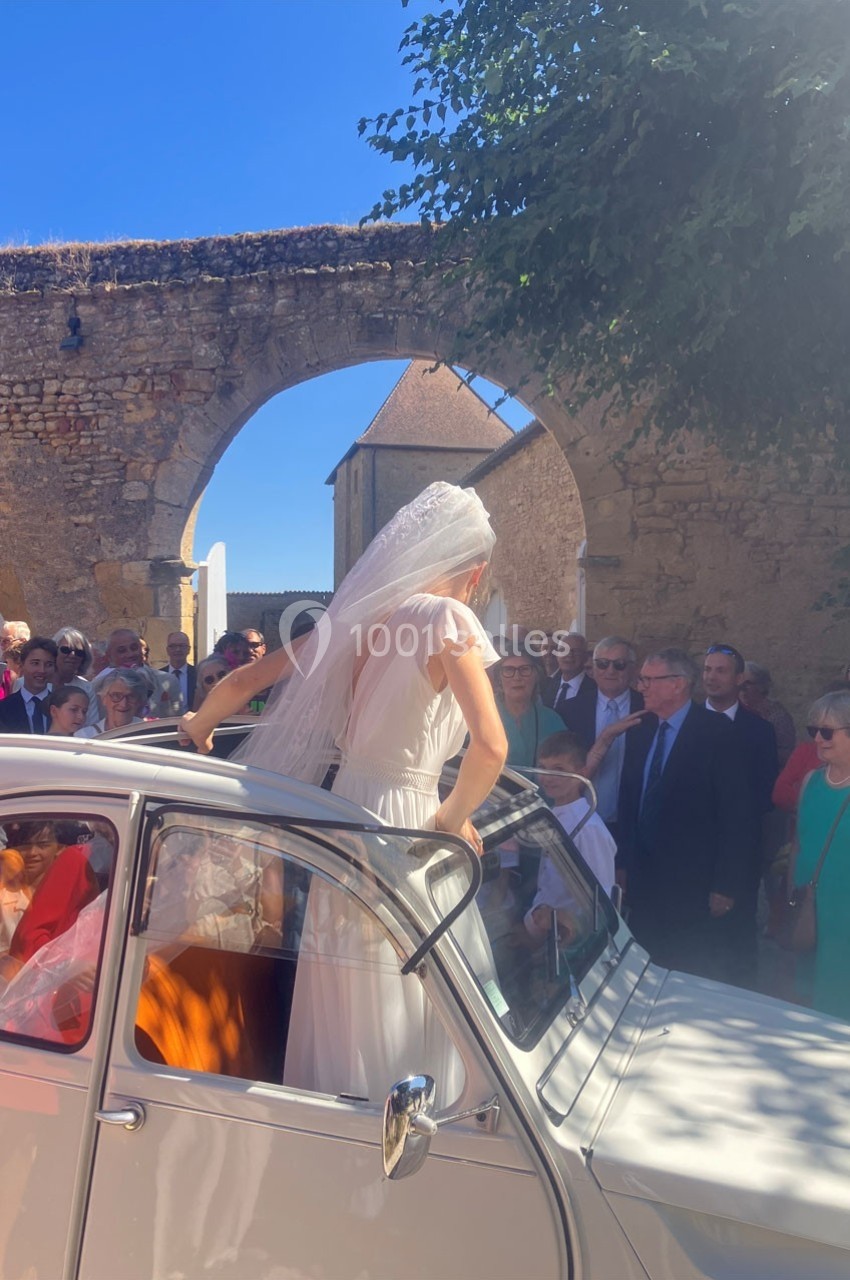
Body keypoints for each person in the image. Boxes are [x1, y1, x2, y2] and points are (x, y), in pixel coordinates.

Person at [180, 481, 507, 1105]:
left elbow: (246, 677)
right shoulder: (447, 618)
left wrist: (199, 725)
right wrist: (450, 817)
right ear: (474, 570)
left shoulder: (353, 623)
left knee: (346, 977)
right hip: (405, 821)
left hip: (344, 813)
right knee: (411, 980)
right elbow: (491, 748)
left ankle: (339, 1113)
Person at [618, 648, 751, 983]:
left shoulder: (718, 733)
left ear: (677, 684)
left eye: (649, 680)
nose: (642, 687)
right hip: (644, 875)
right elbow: (630, 799)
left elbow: (737, 815)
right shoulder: (641, 728)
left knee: (685, 967)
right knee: (643, 964)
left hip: (692, 880)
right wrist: (622, 862)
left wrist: (726, 884)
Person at [792, 690, 850, 1021]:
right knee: (807, 1002)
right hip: (810, 910)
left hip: (846, 916)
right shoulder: (812, 781)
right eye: (813, 730)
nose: (818, 739)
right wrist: (792, 898)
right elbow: (800, 843)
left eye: (827, 732)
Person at [557, 636, 644, 848]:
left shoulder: (648, 710)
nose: (610, 671)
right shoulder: (569, 710)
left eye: (619, 665)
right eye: (603, 664)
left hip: (633, 822)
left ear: (633, 669)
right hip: (582, 818)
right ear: (593, 668)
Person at [492, 646, 563, 770]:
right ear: (499, 677)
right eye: (508, 670)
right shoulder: (480, 714)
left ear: (537, 675)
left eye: (525, 669)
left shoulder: (552, 720)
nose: (517, 677)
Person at [739, 660, 797, 767]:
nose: (742, 688)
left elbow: (787, 754)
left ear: (761, 686)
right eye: (739, 683)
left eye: (747, 683)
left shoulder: (778, 716)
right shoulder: (736, 710)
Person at [0, 636, 56, 733]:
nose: (42, 670)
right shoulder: (3, 708)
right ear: (22, 665)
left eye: (48, 664)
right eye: (35, 663)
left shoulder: (61, 707)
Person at [77, 668, 147, 737]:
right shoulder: (85, 736)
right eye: (116, 696)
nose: (123, 704)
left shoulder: (149, 733)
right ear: (103, 698)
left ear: (139, 701)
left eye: (131, 696)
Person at [542, 632, 595, 719]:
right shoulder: (547, 686)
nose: (569, 655)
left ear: (585, 657)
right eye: (563, 650)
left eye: (576, 651)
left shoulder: (594, 689)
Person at [160, 631, 196, 713]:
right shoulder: (158, 676)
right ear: (167, 650)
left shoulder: (198, 674)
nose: (177, 649)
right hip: (165, 723)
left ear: (189, 649)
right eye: (173, 646)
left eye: (182, 646)